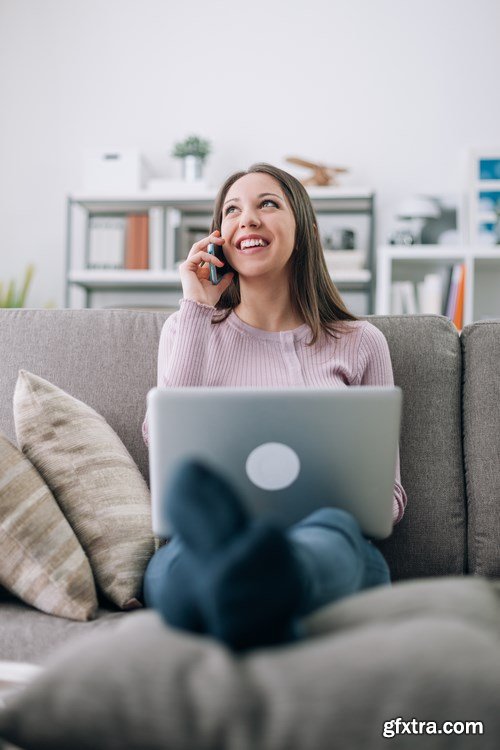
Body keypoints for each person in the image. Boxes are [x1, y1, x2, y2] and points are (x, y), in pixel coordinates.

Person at [141, 163, 407, 651]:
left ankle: (248, 585)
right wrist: (198, 307)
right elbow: (165, 449)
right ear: (219, 239)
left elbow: (387, 500)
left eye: (267, 204)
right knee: (172, 566)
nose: (248, 219)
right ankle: (251, 589)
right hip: (210, 541)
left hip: (328, 539)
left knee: (333, 535)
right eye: (232, 210)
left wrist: (333, 504)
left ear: (303, 228)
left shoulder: (361, 343)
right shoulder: (186, 330)